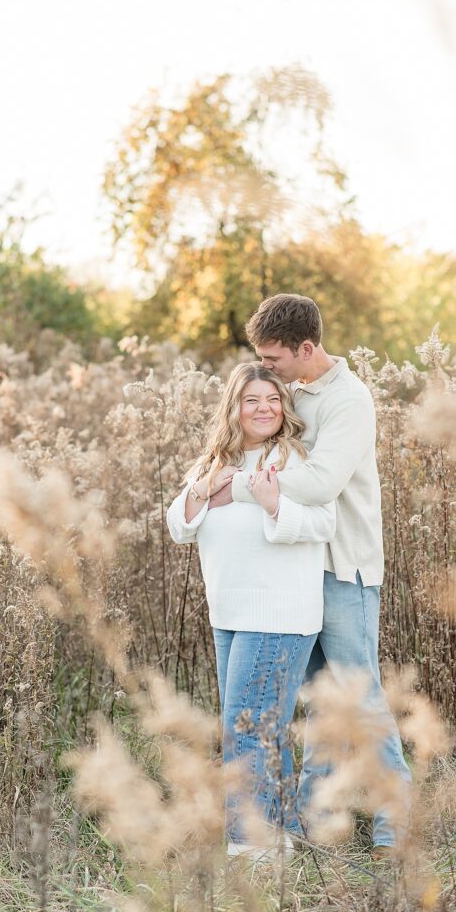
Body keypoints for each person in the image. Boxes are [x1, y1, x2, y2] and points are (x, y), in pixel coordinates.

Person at [208, 293, 411, 857]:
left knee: (358, 696)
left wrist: (236, 486)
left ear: (305, 348)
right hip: (296, 570)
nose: (265, 369)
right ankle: (311, 820)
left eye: (273, 359)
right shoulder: (293, 392)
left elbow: (320, 483)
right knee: (320, 704)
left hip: (344, 568)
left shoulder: (349, 400)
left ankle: (399, 823)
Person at [166, 362, 336, 862]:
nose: (264, 409)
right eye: (252, 400)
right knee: (261, 727)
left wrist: (273, 505)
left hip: (279, 612)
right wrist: (203, 488)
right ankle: (278, 840)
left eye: (273, 399)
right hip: (230, 612)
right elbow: (180, 526)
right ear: (235, 408)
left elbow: (324, 521)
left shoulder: (294, 459)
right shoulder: (214, 461)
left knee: (245, 727)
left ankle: (250, 849)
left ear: (284, 407)